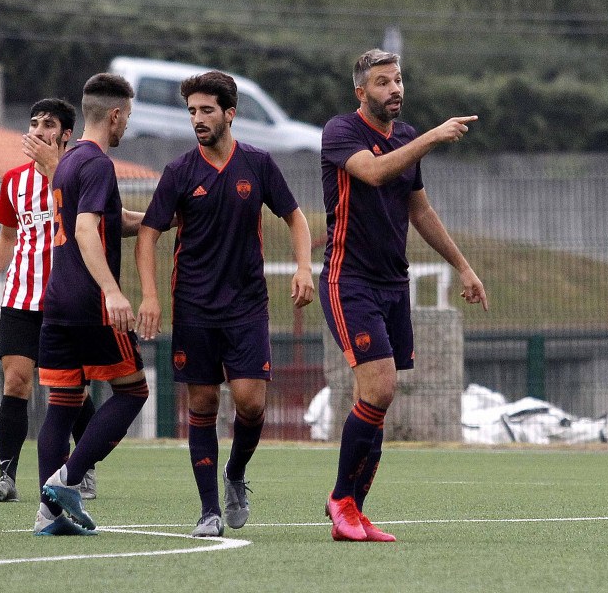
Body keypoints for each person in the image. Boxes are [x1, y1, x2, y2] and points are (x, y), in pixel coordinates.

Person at [136, 70, 314, 537]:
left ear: (229, 114)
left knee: (251, 404)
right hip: (193, 305)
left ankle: (235, 474)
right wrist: (150, 295)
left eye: (206, 110)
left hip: (247, 305)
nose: (197, 119)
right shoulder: (179, 171)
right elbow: (149, 233)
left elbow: (296, 218)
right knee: (203, 401)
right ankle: (209, 510)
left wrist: (302, 267)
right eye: (191, 111)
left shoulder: (257, 163)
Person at [320, 49, 488, 542]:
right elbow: (373, 173)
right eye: (382, 82)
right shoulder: (340, 132)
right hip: (348, 280)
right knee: (379, 388)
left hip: (394, 283)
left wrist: (463, 265)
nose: (394, 89)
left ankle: (354, 510)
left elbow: (420, 210)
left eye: (397, 80)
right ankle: (339, 500)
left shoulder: (408, 137)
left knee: (378, 399)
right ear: (361, 92)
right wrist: (434, 136)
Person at [34, 73, 150, 536]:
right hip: (90, 302)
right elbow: (86, 231)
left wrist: (162, 218)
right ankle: (67, 482)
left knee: (61, 406)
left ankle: (48, 516)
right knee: (133, 391)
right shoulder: (99, 164)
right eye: (127, 119)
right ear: (116, 115)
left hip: (57, 301)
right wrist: (113, 291)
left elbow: (110, 221)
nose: (125, 128)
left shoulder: (66, 163)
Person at [0, 98, 98, 503]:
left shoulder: (78, 174)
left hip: (64, 298)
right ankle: (7, 478)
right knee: (15, 381)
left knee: (70, 388)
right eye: (33, 122)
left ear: (66, 134)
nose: (38, 130)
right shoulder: (13, 180)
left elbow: (98, 222)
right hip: (20, 299)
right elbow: (9, 237)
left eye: (48, 124)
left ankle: (83, 467)